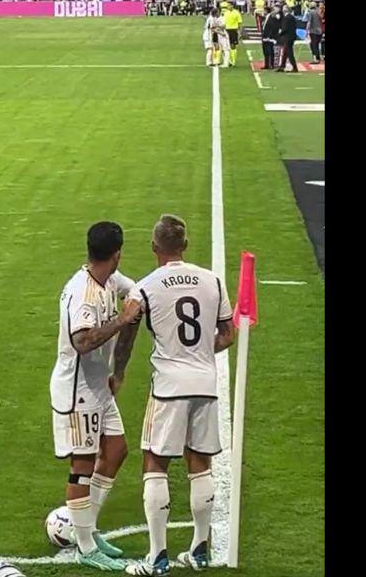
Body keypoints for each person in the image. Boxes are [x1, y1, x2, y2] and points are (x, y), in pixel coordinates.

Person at [125, 215, 236, 576]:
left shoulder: (145, 287)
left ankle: (157, 557)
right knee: (200, 463)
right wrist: (202, 352)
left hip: (169, 387)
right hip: (206, 382)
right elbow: (228, 334)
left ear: (154, 247)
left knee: (155, 464)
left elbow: (127, 331)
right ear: (185, 246)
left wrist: (118, 372)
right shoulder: (212, 280)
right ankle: (200, 551)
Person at [50, 221, 143, 571]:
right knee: (82, 468)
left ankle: (87, 527)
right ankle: (85, 547)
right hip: (78, 392)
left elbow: (134, 289)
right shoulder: (83, 293)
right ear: (116, 253)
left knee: (117, 450)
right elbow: (82, 340)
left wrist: (136, 301)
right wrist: (123, 319)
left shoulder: (109, 280)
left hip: (98, 388)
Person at [275, 3, 299, 72]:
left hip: (288, 37)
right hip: (291, 36)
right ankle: (282, 66)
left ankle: (294, 67)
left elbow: (285, 28)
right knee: (285, 52)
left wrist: (279, 34)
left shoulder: (287, 17)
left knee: (289, 52)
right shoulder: (291, 17)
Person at [223, 2, 243, 67]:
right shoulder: (225, 13)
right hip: (226, 30)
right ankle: (229, 60)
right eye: (228, 6)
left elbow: (240, 23)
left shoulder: (236, 13)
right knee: (226, 46)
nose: (228, 7)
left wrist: (240, 32)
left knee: (233, 45)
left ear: (232, 6)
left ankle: (233, 61)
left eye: (229, 5)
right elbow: (223, 22)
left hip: (234, 30)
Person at [262, 5, 281, 70]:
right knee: (265, 51)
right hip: (264, 36)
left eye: (264, 11)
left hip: (270, 37)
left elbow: (274, 27)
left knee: (270, 51)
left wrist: (270, 36)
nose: (263, 12)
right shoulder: (266, 17)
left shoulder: (272, 17)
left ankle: (272, 64)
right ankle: (266, 65)